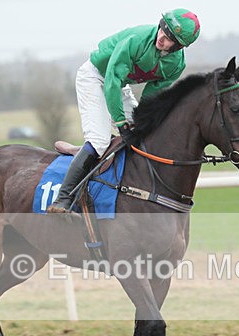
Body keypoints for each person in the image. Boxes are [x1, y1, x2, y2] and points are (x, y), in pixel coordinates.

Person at [47, 8, 201, 213]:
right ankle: (63, 199)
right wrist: (120, 122)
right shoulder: (136, 40)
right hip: (95, 77)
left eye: (170, 38)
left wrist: (140, 122)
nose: (162, 38)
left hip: (119, 86)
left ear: (180, 46)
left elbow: (151, 97)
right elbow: (111, 80)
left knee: (144, 134)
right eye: (163, 29)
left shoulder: (176, 64)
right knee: (99, 141)